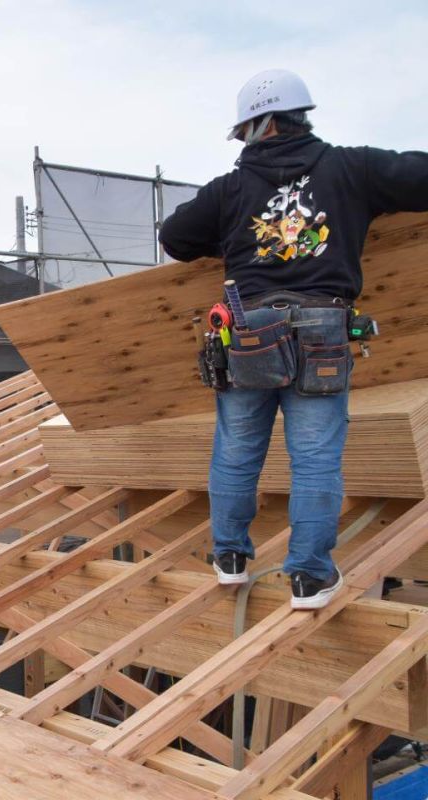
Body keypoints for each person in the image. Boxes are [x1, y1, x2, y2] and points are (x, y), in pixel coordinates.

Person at [160, 68, 428, 609]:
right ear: (300, 116)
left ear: (255, 127)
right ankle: (309, 577)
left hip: (249, 330)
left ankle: (230, 558)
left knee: (236, 453)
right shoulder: (354, 167)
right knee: (315, 459)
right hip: (322, 330)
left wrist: (233, 233)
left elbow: (175, 237)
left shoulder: (230, 189)